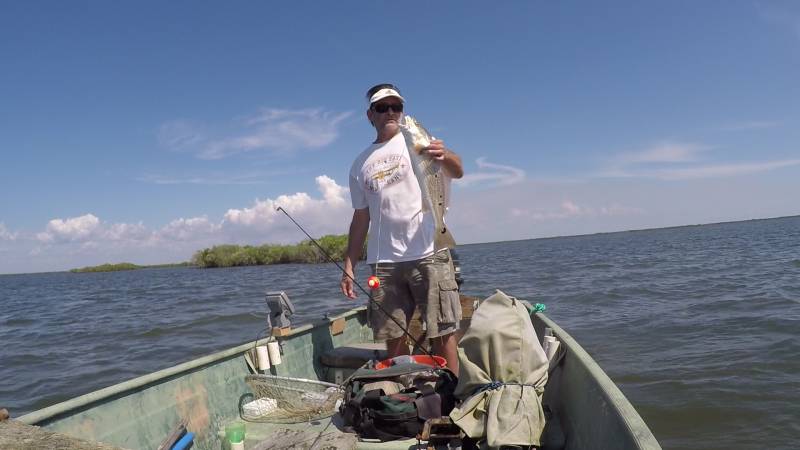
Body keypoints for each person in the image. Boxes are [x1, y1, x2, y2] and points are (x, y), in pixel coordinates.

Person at [340, 83, 464, 376]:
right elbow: (360, 218)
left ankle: (452, 396)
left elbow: (457, 171)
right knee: (392, 334)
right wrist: (348, 265)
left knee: (443, 330)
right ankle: (402, 395)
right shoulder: (359, 164)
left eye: (396, 107)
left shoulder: (421, 142)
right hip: (384, 261)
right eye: (383, 108)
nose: (391, 112)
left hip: (429, 251)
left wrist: (444, 155)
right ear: (370, 115)